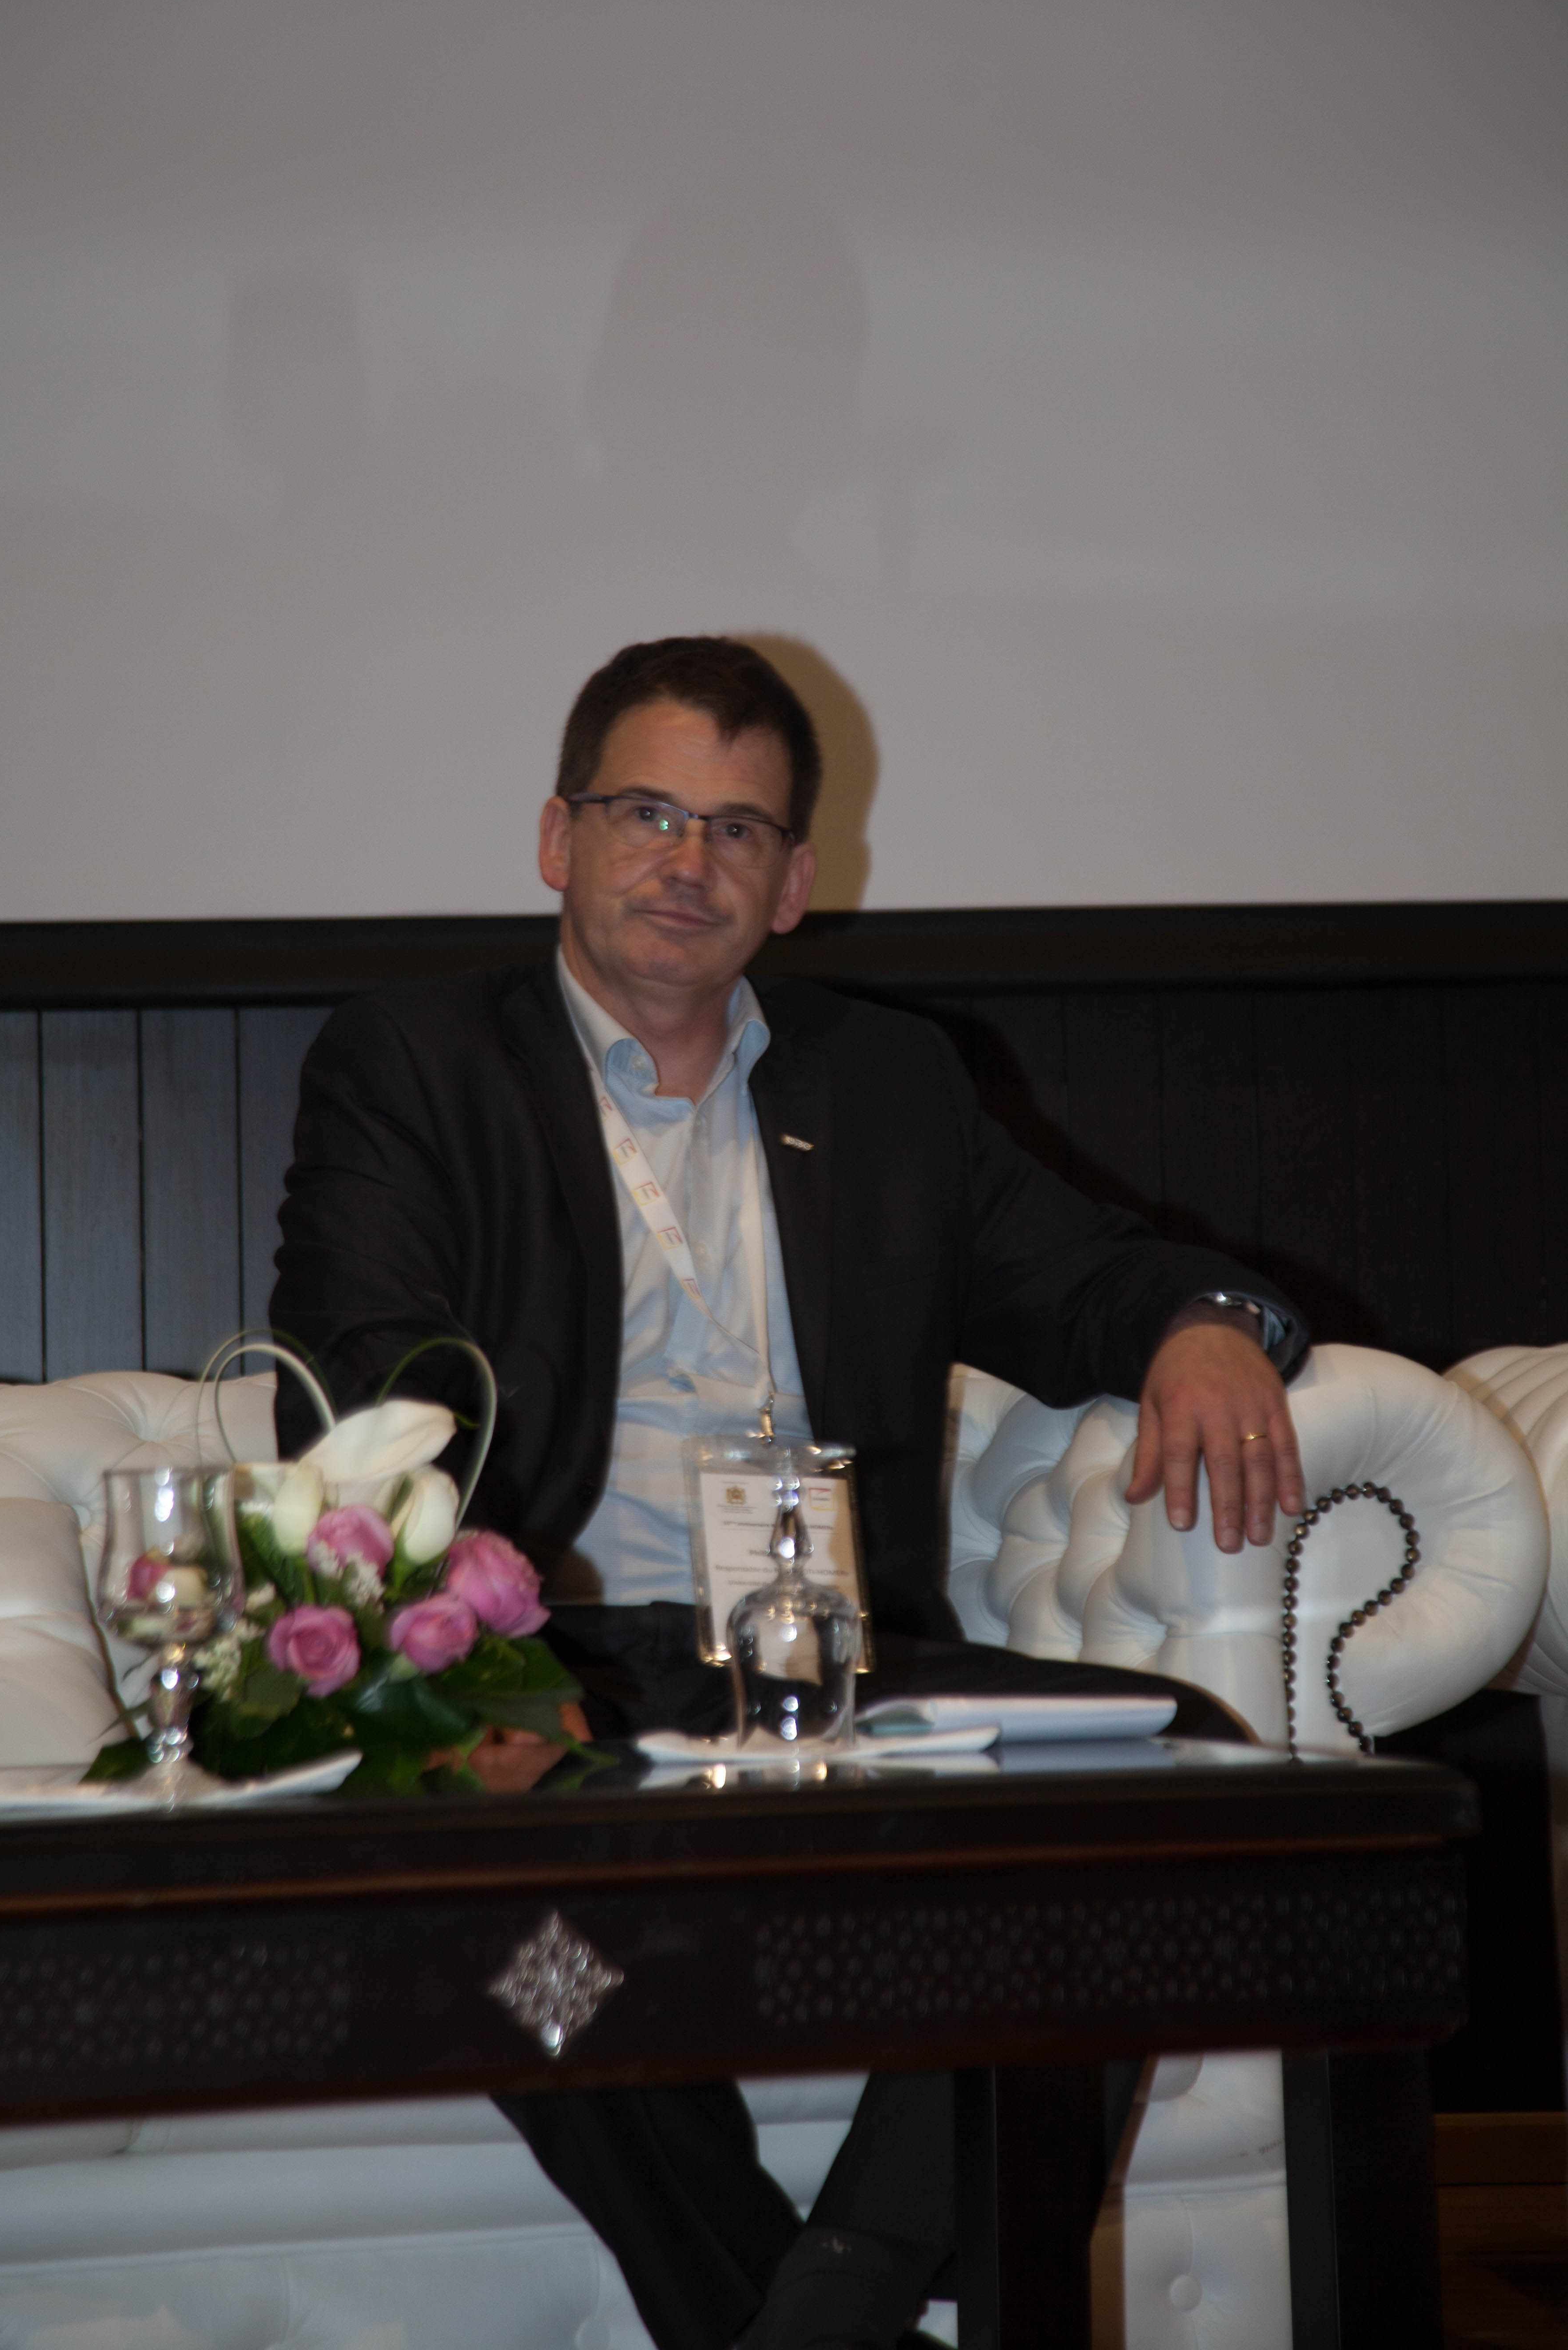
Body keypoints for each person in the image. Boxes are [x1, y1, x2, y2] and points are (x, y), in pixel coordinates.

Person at [271, 636, 1308, 2350]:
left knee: (1170, 1783)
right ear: (558, 837)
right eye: (648, 814)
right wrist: (469, 1661)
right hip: (550, 1666)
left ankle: (835, 2305)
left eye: (738, 830)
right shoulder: (419, 1061)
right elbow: (358, 1380)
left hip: (832, 1662)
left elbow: (1087, 1277)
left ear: (797, 883)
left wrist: (1207, 1325)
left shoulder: (887, 1081)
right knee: (523, 1951)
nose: (690, 862)